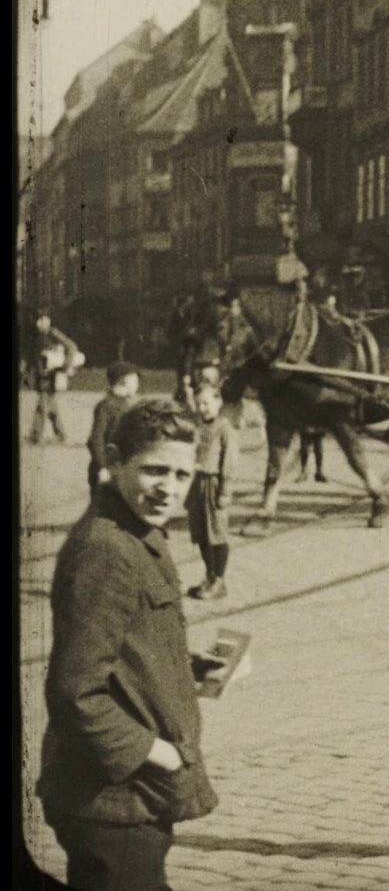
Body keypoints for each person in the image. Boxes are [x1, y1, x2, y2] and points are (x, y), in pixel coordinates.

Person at [38, 399, 219, 890]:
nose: (169, 488)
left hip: (128, 798)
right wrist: (158, 753)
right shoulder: (107, 549)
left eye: (183, 475)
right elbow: (76, 693)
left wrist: (195, 669)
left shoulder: (136, 532)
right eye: (154, 469)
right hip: (110, 801)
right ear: (113, 459)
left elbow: (124, 650)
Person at [187, 383, 238, 600]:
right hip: (197, 484)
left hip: (214, 485)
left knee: (216, 534)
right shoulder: (198, 426)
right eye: (199, 403)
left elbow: (230, 462)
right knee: (201, 535)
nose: (202, 407)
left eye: (207, 402)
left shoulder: (225, 429)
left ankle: (219, 580)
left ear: (218, 402)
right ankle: (209, 576)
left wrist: (225, 492)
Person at [28, 308, 83, 445]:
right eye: (40, 320)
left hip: (50, 375)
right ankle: (60, 435)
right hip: (41, 375)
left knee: (43, 404)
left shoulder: (53, 333)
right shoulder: (37, 335)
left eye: (45, 319)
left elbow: (72, 346)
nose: (42, 323)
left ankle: (36, 435)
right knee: (50, 405)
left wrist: (66, 367)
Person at [88, 361, 141, 493]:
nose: (137, 386)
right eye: (134, 382)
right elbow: (97, 438)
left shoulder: (126, 405)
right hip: (108, 468)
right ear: (122, 382)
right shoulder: (106, 406)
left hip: (122, 467)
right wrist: (102, 467)